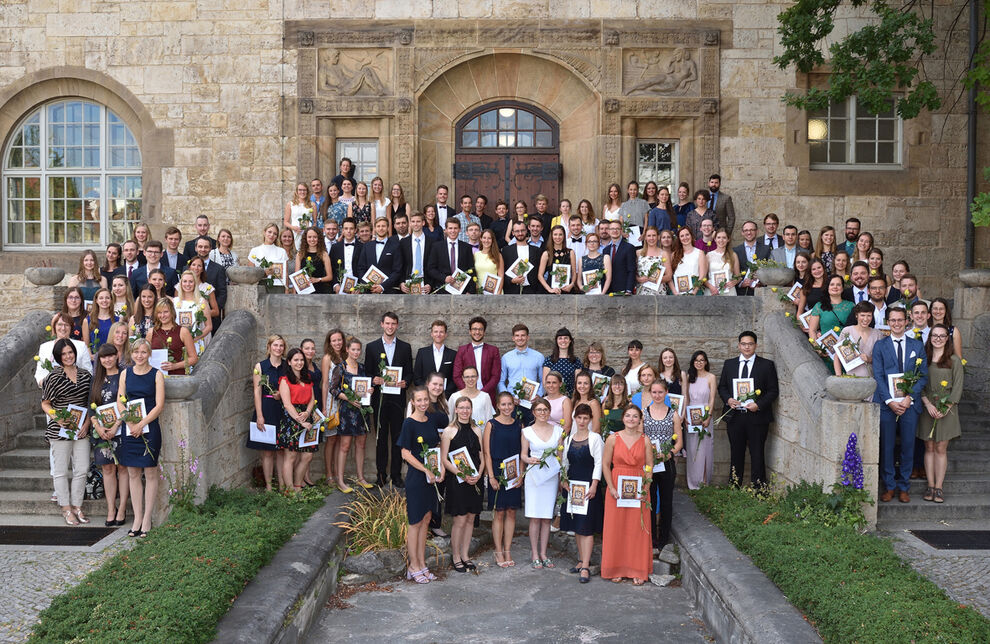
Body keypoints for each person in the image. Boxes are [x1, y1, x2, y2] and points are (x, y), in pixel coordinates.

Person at [873, 307, 928, 503]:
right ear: (888, 323)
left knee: (908, 446)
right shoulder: (880, 346)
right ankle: (889, 486)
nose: (896, 323)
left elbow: (922, 376)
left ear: (907, 322)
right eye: (893, 320)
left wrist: (909, 398)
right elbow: (878, 376)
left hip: (909, 405)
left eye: (900, 320)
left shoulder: (917, 346)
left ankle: (904, 486)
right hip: (887, 404)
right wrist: (890, 400)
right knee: (887, 447)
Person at [41, 339, 93, 526]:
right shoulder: (53, 377)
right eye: (63, 354)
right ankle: (65, 508)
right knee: (61, 470)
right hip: (60, 429)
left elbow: (90, 404)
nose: (68, 356)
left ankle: (77, 505)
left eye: (70, 352)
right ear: (58, 357)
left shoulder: (86, 375)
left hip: (81, 429)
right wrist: (57, 417)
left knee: (82, 468)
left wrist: (87, 423)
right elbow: (45, 403)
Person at [717, 331, 780, 487]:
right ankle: (734, 487)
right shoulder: (729, 364)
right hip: (735, 417)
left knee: (757, 453)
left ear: (755, 345)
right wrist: (728, 400)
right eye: (744, 344)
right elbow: (722, 387)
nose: (747, 347)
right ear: (739, 345)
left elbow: (773, 391)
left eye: (750, 344)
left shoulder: (766, 365)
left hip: (757, 417)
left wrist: (758, 405)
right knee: (736, 453)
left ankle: (759, 489)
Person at [117, 338, 165, 537]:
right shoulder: (125, 374)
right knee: (133, 474)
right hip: (130, 429)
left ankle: (147, 519)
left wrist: (141, 424)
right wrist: (129, 422)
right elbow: (120, 401)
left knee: (151, 473)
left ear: (149, 354)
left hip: (149, 428)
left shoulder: (157, 375)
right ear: (132, 353)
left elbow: (159, 405)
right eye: (136, 352)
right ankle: (136, 518)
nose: (139, 356)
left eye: (143, 352)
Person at [601, 404, 653, 585]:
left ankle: (637, 569)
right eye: (628, 416)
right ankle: (616, 568)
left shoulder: (646, 440)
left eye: (635, 416)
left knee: (636, 529)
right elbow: (605, 465)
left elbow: (649, 467)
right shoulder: (612, 439)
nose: (631, 419)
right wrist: (611, 487)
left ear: (640, 420)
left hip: (638, 490)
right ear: (622, 418)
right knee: (616, 529)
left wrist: (645, 490)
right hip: (616, 488)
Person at [398, 387, 444, 584]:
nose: (423, 403)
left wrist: (439, 468)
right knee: (415, 521)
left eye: (426, 399)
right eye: (419, 400)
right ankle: (413, 565)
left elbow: (438, 446)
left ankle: (422, 563)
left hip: (431, 479)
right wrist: (425, 469)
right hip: (417, 479)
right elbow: (405, 453)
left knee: (426, 519)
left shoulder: (431, 421)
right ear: (413, 402)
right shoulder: (409, 423)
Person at [366, 312, 414, 487]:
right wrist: (374, 379)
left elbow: (410, 373)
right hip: (379, 400)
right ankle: (380, 475)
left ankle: (396, 475)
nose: (390, 326)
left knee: (397, 439)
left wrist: (405, 382)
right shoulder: (372, 347)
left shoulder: (405, 347)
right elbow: (368, 372)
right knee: (380, 439)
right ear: (381, 324)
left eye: (393, 323)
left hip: (397, 400)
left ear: (397, 325)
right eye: (387, 323)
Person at [918, 324, 964, 504]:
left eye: (942, 336)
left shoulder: (954, 360)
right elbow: (917, 383)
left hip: (948, 409)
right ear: (930, 338)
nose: (938, 339)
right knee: (929, 447)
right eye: (934, 336)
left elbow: (958, 387)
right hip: (927, 407)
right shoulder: (924, 359)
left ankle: (939, 487)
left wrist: (946, 407)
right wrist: (928, 404)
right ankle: (930, 486)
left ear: (947, 338)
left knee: (940, 448)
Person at [559, 403, 604, 583]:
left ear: (590, 419)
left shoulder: (595, 439)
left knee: (586, 527)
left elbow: (599, 463)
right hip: (573, 486)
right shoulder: (569, 439)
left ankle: (586, 566)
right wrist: (563, 479)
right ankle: (580, 560)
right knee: (577, 524)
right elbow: (565, 462)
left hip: (588, 487)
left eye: (586, 418)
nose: (582, 421)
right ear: (574, 419)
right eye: (579, 417)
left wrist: (594, 485)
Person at [441, 396, 485, 572]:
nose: (465, 411)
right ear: (456, 410)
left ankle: (466, 555)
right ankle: (456, 556)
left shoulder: (477, 430)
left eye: (468, 408)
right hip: (457, 481)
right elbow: (444, 459)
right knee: (459, 520)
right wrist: (462, 474)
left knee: (470, 518)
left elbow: (482, 457)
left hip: (475, 481)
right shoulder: (449, 431)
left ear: (471, 410)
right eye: (462, 407)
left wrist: (479, 474)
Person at [521, 397, 564, 569]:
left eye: (545, 410)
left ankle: (544, 553)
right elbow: (523, 454)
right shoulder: (527, 431)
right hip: (534, 476)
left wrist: (562, 477)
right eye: (539, 410)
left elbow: (560, 457)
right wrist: (528, 459)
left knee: (546, 517)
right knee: (535, 517)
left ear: (549, 412)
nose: (542, 413)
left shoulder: (558, 431)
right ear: (533, 412)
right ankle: (534, 553)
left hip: (551, 475)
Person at [89, 343, 128, 526]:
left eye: (111, 356)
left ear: (116, 356)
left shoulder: (124, 376)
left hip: (121, 429)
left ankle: (122, 509)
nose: (107, 359)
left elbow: (128, 403)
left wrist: (117, 425)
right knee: (107, 469)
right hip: (102, 432)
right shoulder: (96, 379)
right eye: (104, 357)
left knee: (123, 468)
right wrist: (97, 427)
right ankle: (111, 508)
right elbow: (90, 407)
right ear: (100, 359)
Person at [484, 392, 523, 567]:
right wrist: (491, 476)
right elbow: (486, 453)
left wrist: (520, 473)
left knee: (511, 512)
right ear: (498, 406)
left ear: (513, 406)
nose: (507, 408)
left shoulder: (519, 425)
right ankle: (498, 550)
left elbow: (523, 452)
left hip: (513, 471)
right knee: (499, 512)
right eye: (503, 404)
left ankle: (507, 549)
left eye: (510, 404)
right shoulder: (491, 425)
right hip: (497, 471)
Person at [643, 380, 683, 551]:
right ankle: (650, 538)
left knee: (666, 501)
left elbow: (679, 441)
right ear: (650, 393)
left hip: (666, 463)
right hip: (649, 464)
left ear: (666, 392)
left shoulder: (673, 414)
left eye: (660, 392)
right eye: (654, 392)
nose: (657, 395)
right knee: (649, 501)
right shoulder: (644, 414)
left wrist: (669, 453)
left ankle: (664, 539)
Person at [333, 337, 373, 492]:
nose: (356, 352)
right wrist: (348, 398)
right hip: (347, 411)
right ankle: (341, 481)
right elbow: (333, 389)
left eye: (358, 350)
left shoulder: (362, 368)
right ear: (347, 350)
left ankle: (360, 478)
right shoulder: (341, 367)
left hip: (361, 411)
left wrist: (370, 390)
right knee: (344, 446)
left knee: (361, 444)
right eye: (353, 349)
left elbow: (366, 387)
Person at [276, 347, 317, 491]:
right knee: (291, 456)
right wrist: (301, 421)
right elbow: (286, 404)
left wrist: (307, 412)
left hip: (306, 415)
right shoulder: (285, 380)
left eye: (301, 360)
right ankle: (289, 489)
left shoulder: (307, 377)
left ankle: (298, 485)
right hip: (291, 419)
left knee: (307, 455)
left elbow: (312, 399)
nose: (299, 363)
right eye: (296, 360)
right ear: (289, 362)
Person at [249, 335, 286, 491]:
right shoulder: (261, 366)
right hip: (266, 408)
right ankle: (269, 486)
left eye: (281, 346)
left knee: (282, 450)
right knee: (267, 452)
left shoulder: (287, 366)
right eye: (275, 345)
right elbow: (257, 391)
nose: (278, 348)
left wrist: (282, 395)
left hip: (283, 410)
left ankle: (283, 485)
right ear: (269, 346)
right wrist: (259, 415)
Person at [683, 350, 717, 489]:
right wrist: (685, 415)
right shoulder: (689, 377)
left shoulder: (711, 377)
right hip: (691, 417)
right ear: (693, 362)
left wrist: (708, 416)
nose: (699, 363)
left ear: (706, 362)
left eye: (702, 360)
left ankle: (704, 481)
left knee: (705, 449)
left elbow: (712, 398)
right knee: (693, 450)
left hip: (705, 416)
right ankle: (693, 483)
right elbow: (686, 397)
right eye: (696, 360)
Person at [319, 329, 346, 483]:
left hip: (344, 401)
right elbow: (324, 383)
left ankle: (338, 473)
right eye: (334, 340)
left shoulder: (346, 356)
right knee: (331, 439)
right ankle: (329, 474)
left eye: (339, 340)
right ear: (329, 342)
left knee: (341, 439)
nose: (337, 343)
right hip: (331, 402)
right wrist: (324, 406)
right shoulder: (327, 358)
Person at [35, 313, 92, 386]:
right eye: (60, 324)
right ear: (54, 327)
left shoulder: (81, 346)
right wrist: (50, 385)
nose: (63, 328)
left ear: (71, 327)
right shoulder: (45, 347)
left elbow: (89, 371)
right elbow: (40, 374)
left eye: (66, 325)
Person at [147, 298, 198, 376]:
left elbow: (194, 358)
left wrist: (175, 366)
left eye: (166, 312)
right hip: (155, 377)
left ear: (172, 312)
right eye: (159, 312)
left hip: (176, 377)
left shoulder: (183, 331)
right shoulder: (151, 332)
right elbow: (146, 355)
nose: (162, 315)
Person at [833, 302, 882, 381]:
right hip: (851, 380)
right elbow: (837, 356)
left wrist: (869, 359)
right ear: (856, 315)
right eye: (862, 315)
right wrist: (839, 377)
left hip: (872, 380)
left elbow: (881, 359)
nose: (865, 319)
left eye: (869, 315)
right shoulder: (847, 331)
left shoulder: (878, 334)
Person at [427, 218, 476, 293]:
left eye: (455, 228)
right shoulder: (436, 247)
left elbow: (471, 269)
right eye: (450, 228)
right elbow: (431, 269)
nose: (453, 231)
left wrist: (470, 291)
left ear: (459, 230)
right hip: (442, 289)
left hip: (462, 290)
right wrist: (444, 278)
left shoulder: (466, 247)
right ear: (445, 230)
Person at [173, 270, 212, 356]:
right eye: (185, 281)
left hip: (195, 343)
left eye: (191, 281)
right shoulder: (174, 302)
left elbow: (209, 326)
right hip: (178, 343)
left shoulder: (201, 302)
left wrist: (194, 338)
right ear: (181, 283)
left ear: (195, 283)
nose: (187, 284)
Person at [414, 319, 457, 397]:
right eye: (436, 331)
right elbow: (417, 378)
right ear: (431, 334)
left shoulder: (453, 354)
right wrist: (428, 391)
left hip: (445, 397)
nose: (438, 334)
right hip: (426, 397)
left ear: (445, 334)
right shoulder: (422, 353)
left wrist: (445, 393)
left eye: (441, 332)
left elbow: (454, 378)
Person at [808, 275, 854, 344]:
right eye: (832, 284)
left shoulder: (851, 306)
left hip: (846, 349)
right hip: (826, 348)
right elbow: (812, 330)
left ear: (842, 288)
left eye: (838, 285)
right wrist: (818, 348)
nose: (835, 287)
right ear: (828, 287)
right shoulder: (819, 306)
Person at [398, 212, 435, 293]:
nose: (415, 224)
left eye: (418, 221)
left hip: (426, 285)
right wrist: (401, 283)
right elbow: (400, 265)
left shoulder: (432, 243)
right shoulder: (403, 243)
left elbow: (435, 266)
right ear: (410, 223)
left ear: (423, 223)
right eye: (413, 221)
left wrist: (431, 284)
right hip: (407, 284)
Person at [502, 221, 542, 294]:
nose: (520, 233)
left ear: (527, 231)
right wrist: (511, 280)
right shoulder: (506, 250)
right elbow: (501, 272)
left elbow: (540, 272)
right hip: (512, 291)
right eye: (517, 231)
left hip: (531, 291)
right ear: (513, 233)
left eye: (522, 230)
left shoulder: (536, 251)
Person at [249, 223, 291, 289]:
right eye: (269, 232)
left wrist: (287, 290)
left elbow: (285, 274)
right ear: (264, 232)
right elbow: (250, 274)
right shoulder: (254, 251)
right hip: (260, 287)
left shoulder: (282, 251)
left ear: (277, 236)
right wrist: (263, 273)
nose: (272, 235)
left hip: (278, 288)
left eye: (275, 234)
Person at [537, 225, 577, 294]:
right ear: (551, 236)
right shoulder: (546, 254)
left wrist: (572, 284)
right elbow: (540, 275)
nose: (558, 237)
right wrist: (549, 289)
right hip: (551, 291)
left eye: (560, 234)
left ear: (564, 236)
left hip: (567, 290)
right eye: (555, 234)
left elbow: (573, 272)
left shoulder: (571, 252)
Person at [669, 227, 708, 295]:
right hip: (677, 290)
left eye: (687, 234)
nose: (685, 237)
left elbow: (702, 276)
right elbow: (669, 276)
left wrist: (694, 292)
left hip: (694, 289)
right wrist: (674, 292)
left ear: (691, 236)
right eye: (682, 236)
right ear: (679, 239)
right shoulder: (674, 255)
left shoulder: (700, 253)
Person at [296, 226, 333, 294]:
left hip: (319, 290)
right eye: (309, 237)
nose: (312, 239)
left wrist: (318, 279)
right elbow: (297, 276)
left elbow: (330, 277)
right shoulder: (300, 254)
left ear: (319, 238)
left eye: (315, 237)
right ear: (305, 238)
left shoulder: (324, 254)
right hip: (303, 291)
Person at [605, 220, 637, 294]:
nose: (615, 231)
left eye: (617, 229)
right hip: (609, 290)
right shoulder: (605, 250)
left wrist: (629, 290)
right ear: (609, 231)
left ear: (621, 231)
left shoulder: (629, 248)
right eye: (612, 229)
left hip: (624, 290)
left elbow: (631, 270)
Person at [706, 229, 740, 295]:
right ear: (715, 239)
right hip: (712, 291)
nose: (721, 240)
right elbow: (703, 277)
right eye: (718, 237)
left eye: (724, 238)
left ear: (728, 239)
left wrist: (733, 282)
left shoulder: (733, 255)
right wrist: (711, 287)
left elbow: (738, 276)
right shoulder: (708, 255)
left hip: (729, 291)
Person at [82, 288, 115, 352]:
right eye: (101, 298)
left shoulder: (118, 320)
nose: (104, 300)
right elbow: (86, 345)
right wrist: (91, 356)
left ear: (111, 300)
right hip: (95, 358)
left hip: (112, 357)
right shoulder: (87, 320)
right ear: (96, 300)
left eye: (107, 298)